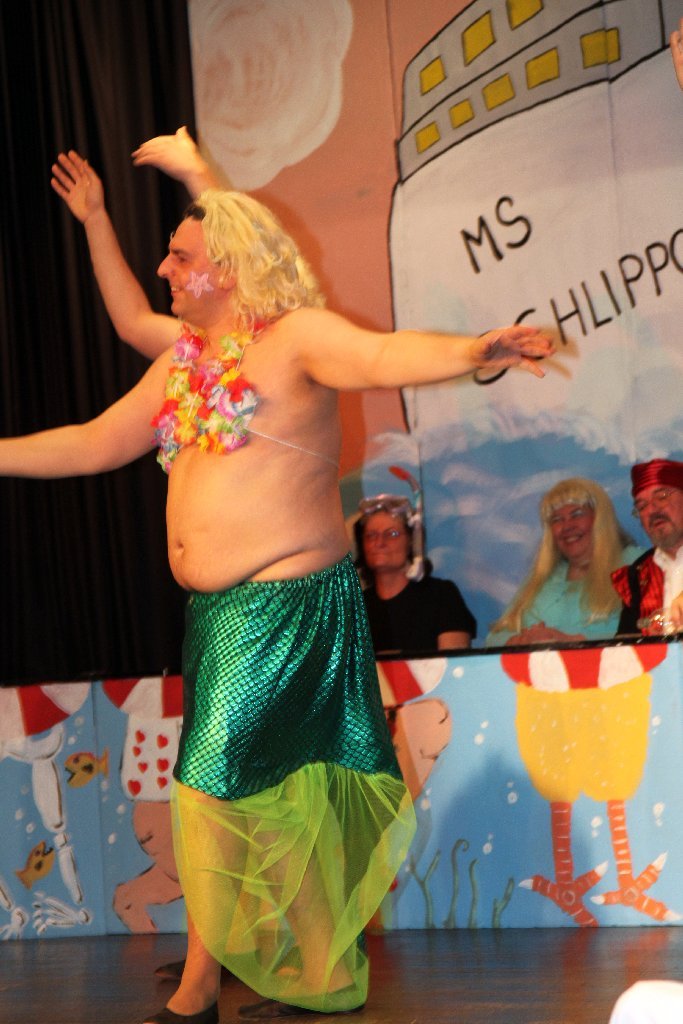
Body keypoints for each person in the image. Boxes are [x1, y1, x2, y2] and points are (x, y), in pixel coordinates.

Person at [32, 145, 556, 1024]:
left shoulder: (295, 342)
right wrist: (94, 222)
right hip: (217, 614)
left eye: (180, 256)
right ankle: (317, 974)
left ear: (229, 267)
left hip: (283, 606)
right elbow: (92, 437)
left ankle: (205, 984)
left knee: (205, 784)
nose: (165, 268)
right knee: (278, 798)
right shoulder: (188, 362)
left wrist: (474, 349)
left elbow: (381, 354)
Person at [486, 477, 641, 647]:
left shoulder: (638, 564)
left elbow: (651, 632)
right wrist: (520, 640)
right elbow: (494, 638)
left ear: (600, 519)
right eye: (557, 519)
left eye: (577, 514)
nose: (567, 526)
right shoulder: (542, 578)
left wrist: (575, 641)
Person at [354, 492, 476, 653]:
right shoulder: (355, 609)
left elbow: (453, 663)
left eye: (392, 534)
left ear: (412, 542)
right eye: (371, 536)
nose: (379, 542)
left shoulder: (441, 596)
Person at [612, 458, 683, 635]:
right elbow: (625, 645)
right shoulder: (637, 575)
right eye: (642, 506)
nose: (652, 510)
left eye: (662, 497)